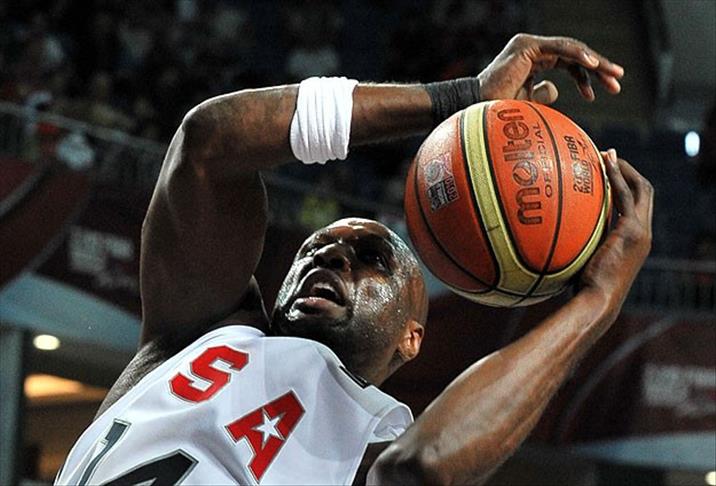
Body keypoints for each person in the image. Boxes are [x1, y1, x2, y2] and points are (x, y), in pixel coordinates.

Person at [56, 34, 652, 485]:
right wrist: (462, 98)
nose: (335, 256)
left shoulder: (372, 443)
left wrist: (599, 300)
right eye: (315, 248)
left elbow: (424, 464)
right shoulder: (200, 333)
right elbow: (207, 144)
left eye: (373, 259)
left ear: (411, 337)